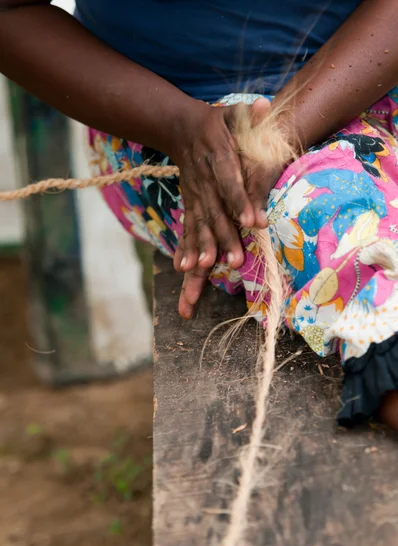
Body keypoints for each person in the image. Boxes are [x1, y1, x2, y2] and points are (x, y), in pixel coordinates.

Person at [1, 0, 397, 427]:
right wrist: (179, 127)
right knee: (345, 232)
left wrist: (288, 126)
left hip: (376, 69)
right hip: (187, 129)